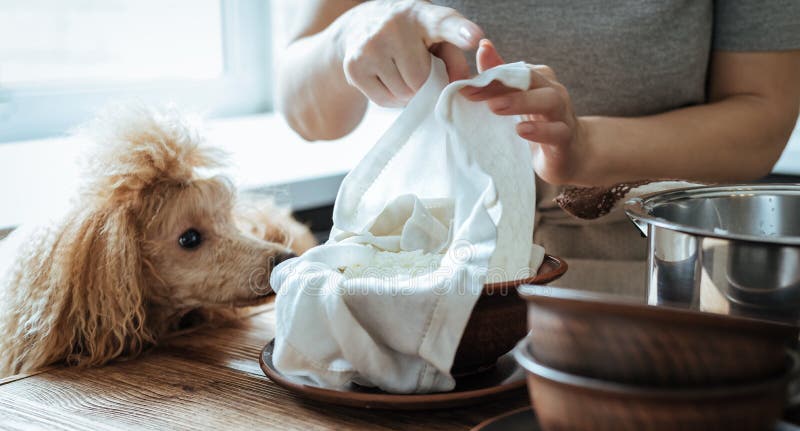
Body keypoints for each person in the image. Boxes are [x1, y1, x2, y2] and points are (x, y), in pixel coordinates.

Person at [277, 0, 800, 295]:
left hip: (638, 285)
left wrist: (589, 145)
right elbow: (307, 112)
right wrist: (348, 35)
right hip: (414, 275)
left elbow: (763, 114)